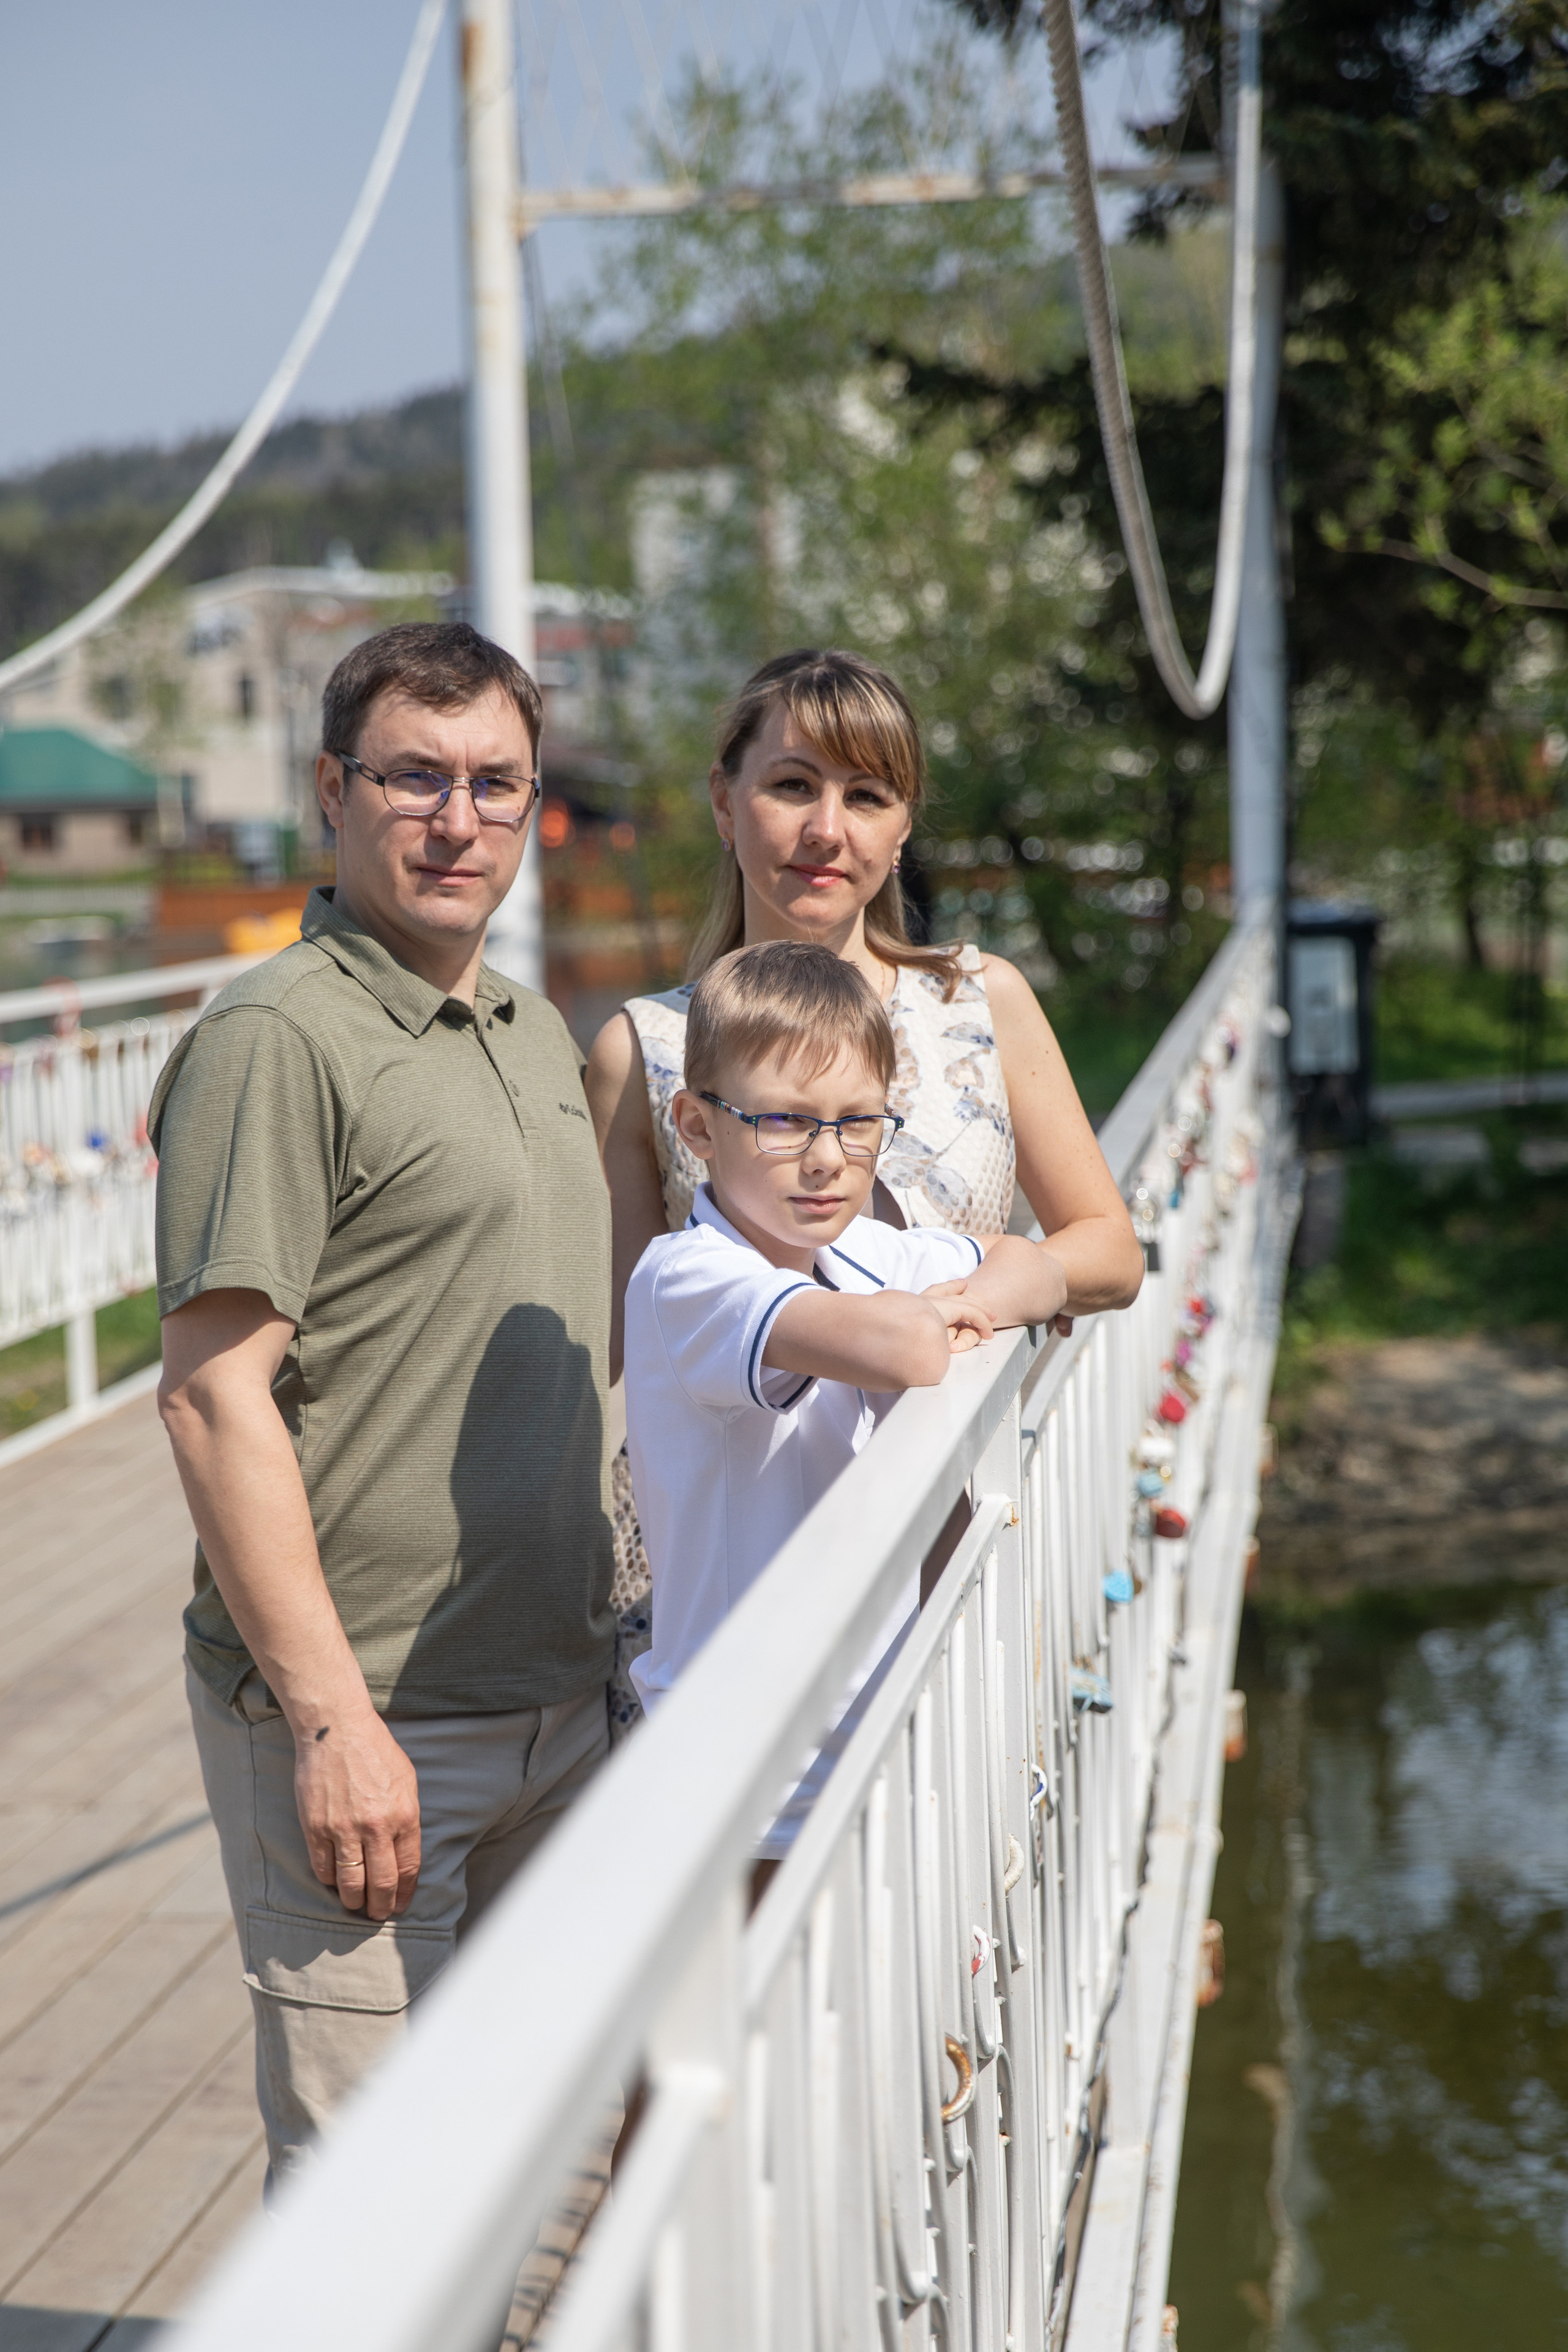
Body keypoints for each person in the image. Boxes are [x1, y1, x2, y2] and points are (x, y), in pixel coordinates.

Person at [152, 622, 615, 2185]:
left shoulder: (530, 1029)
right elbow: (217, 1401)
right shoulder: (278, 1039)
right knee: (373, 2205)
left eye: (496, 783)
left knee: (503, 2178)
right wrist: (333, 1723)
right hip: (377, 1730)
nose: (457, 818)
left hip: (557, 1703)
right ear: (331, 795)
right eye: (415, 777)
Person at [587, 647, 1144, 1721]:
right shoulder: (644, 1049)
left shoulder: (981, 1000)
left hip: (970, 1534)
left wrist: (985, 1295)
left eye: (867, 796)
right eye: (792, 784)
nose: (825, 830)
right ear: (725, 800)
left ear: (901, 829)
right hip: (751, 1593)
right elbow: (626, 1332)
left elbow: (1108, 1248)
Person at [624, 941, 1066, 1844]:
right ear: (698, 1129)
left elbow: (1037, 1268)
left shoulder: (866, 1250)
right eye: (783, 1122)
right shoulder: (690, 1279)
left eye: (857, 1123)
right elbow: (901, 1343)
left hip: (877, 1741)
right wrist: (935, 1317)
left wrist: (958, 1302)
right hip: (747, 1776)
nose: (827, 1158)